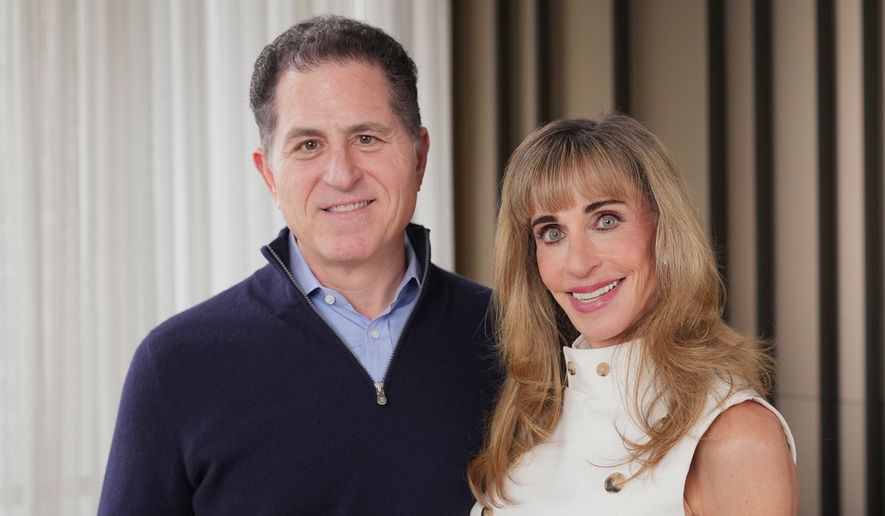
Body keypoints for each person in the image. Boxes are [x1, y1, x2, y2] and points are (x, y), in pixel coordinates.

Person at [99, 16, 498, 515]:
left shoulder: (514, 338)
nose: (342, 173)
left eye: (367, 138)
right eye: (308, 145)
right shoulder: (175, 365)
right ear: (268, 173)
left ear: (419, 155)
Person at [468, 115, 797, 515]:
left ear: (663, 229)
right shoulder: (530, 415)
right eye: (552, 232)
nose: (578, 263)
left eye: (605, 220)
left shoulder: (733, 434)